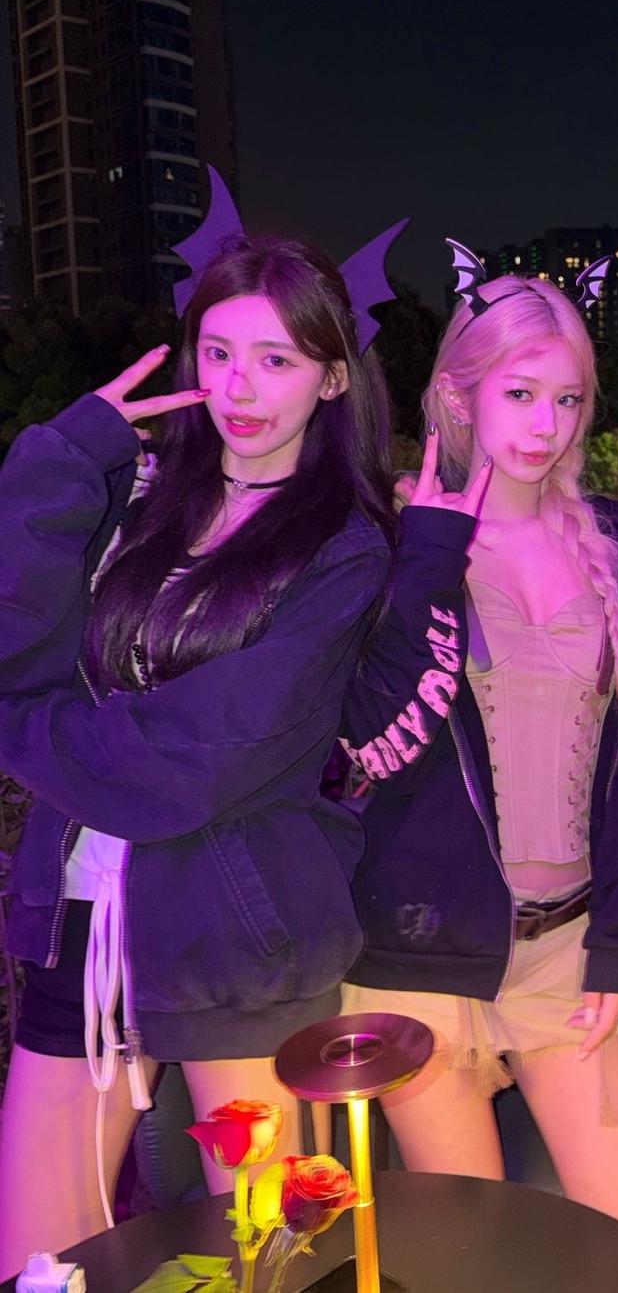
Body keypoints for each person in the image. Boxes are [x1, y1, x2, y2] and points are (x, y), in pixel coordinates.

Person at [0, 184, 401, 1275]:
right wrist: (63, 455)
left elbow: (195, 758)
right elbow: (16, 645)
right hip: (82, 922)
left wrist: (29, 731)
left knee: (269, 1255)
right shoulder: (137, 502)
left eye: (276, 360)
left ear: (331, 378)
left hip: (236, 939)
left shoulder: (341, 547)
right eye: (217, 354)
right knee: (40, 1262)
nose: (238, 387)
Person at [339, 245, 618, 1242]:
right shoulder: (388, 545)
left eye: (567, 400)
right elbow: (359, 742)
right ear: (459, 398)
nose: (545, 425)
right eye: (520, 394)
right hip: (413, 952)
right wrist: (426, 566)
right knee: (471, 1255)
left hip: (569, 949)